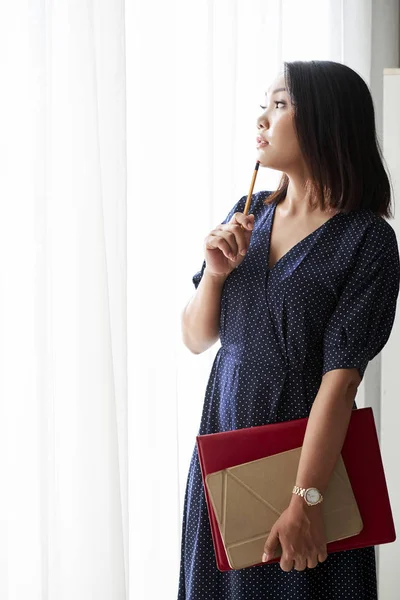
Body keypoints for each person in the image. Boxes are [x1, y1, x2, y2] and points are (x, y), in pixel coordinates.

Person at [178, 60, 400, 600]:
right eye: (263, 106)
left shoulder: (366, 240)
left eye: (279, 105)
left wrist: (306, 502)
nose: (262, 120)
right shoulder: (247, 213)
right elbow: (197, 338)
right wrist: (215, 273)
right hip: (225, 445)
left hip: (305, 463)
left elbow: (341, 382)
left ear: (325, 121)